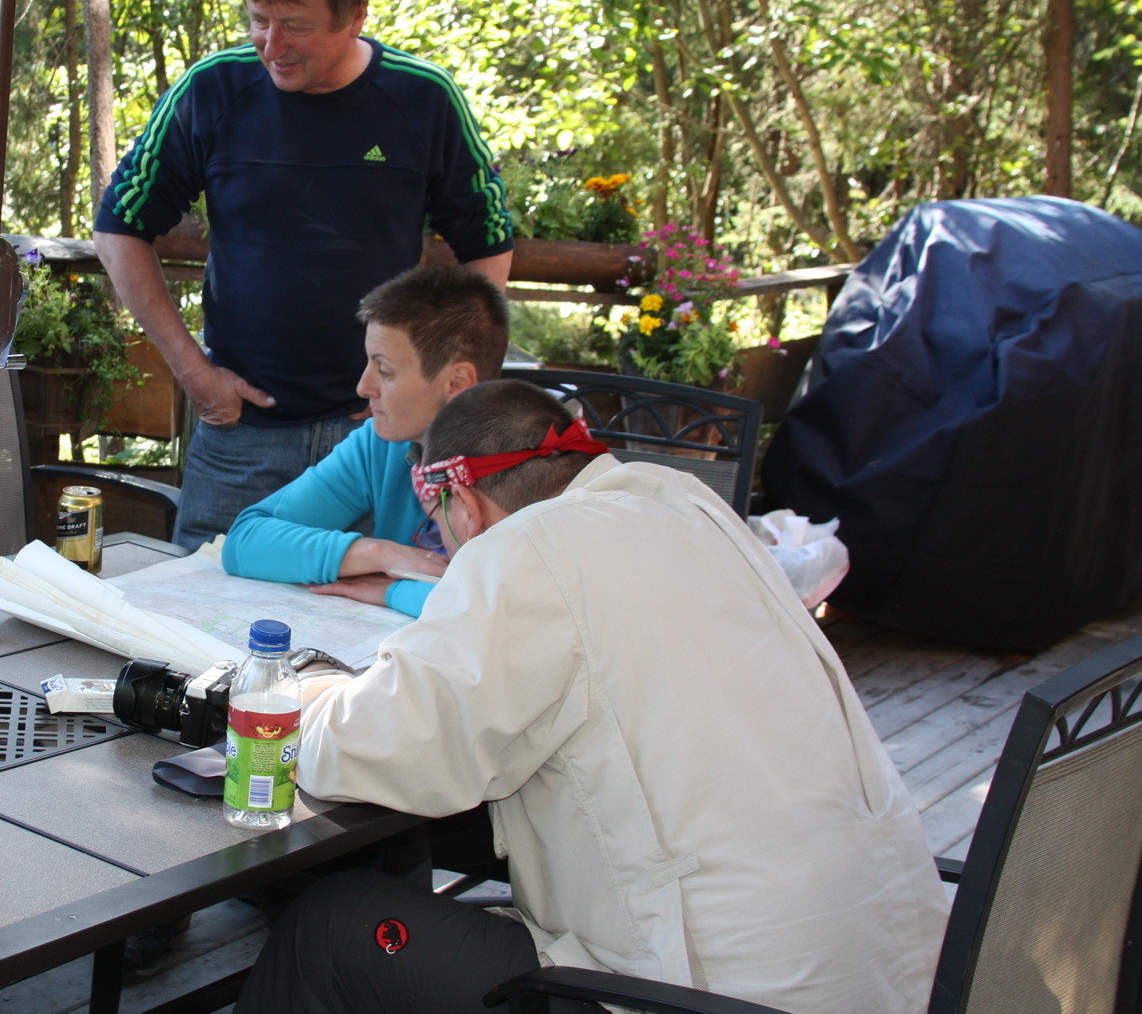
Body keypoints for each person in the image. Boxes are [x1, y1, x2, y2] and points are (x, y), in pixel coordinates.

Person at [235, 381, 951, 1014]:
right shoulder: (683, 503)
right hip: (886, 968)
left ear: (467, 507)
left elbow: (370, 751)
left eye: (439, 524)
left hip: (710, 991)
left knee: (331, 929)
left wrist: (313, 687)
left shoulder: (529, 547)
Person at [94, 0, 514, 549]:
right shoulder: (213, 90)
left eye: (295, 26)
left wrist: (432, 389)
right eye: (259, 20)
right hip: (239, 431)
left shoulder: (422, 98)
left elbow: (486, 243)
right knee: (202, 610)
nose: (271, 45)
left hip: (378, 439)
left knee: (371, 624)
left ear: (355, 17)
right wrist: (194, 373)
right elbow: (119, 225)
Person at [221, 264, 507, 616]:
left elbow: (512, 612)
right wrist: (383, 554)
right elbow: (245, 542)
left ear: (457, 383)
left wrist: (394, 592)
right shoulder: (382, 444)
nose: (363, 387)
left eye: (384, 371)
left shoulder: (535, 465)